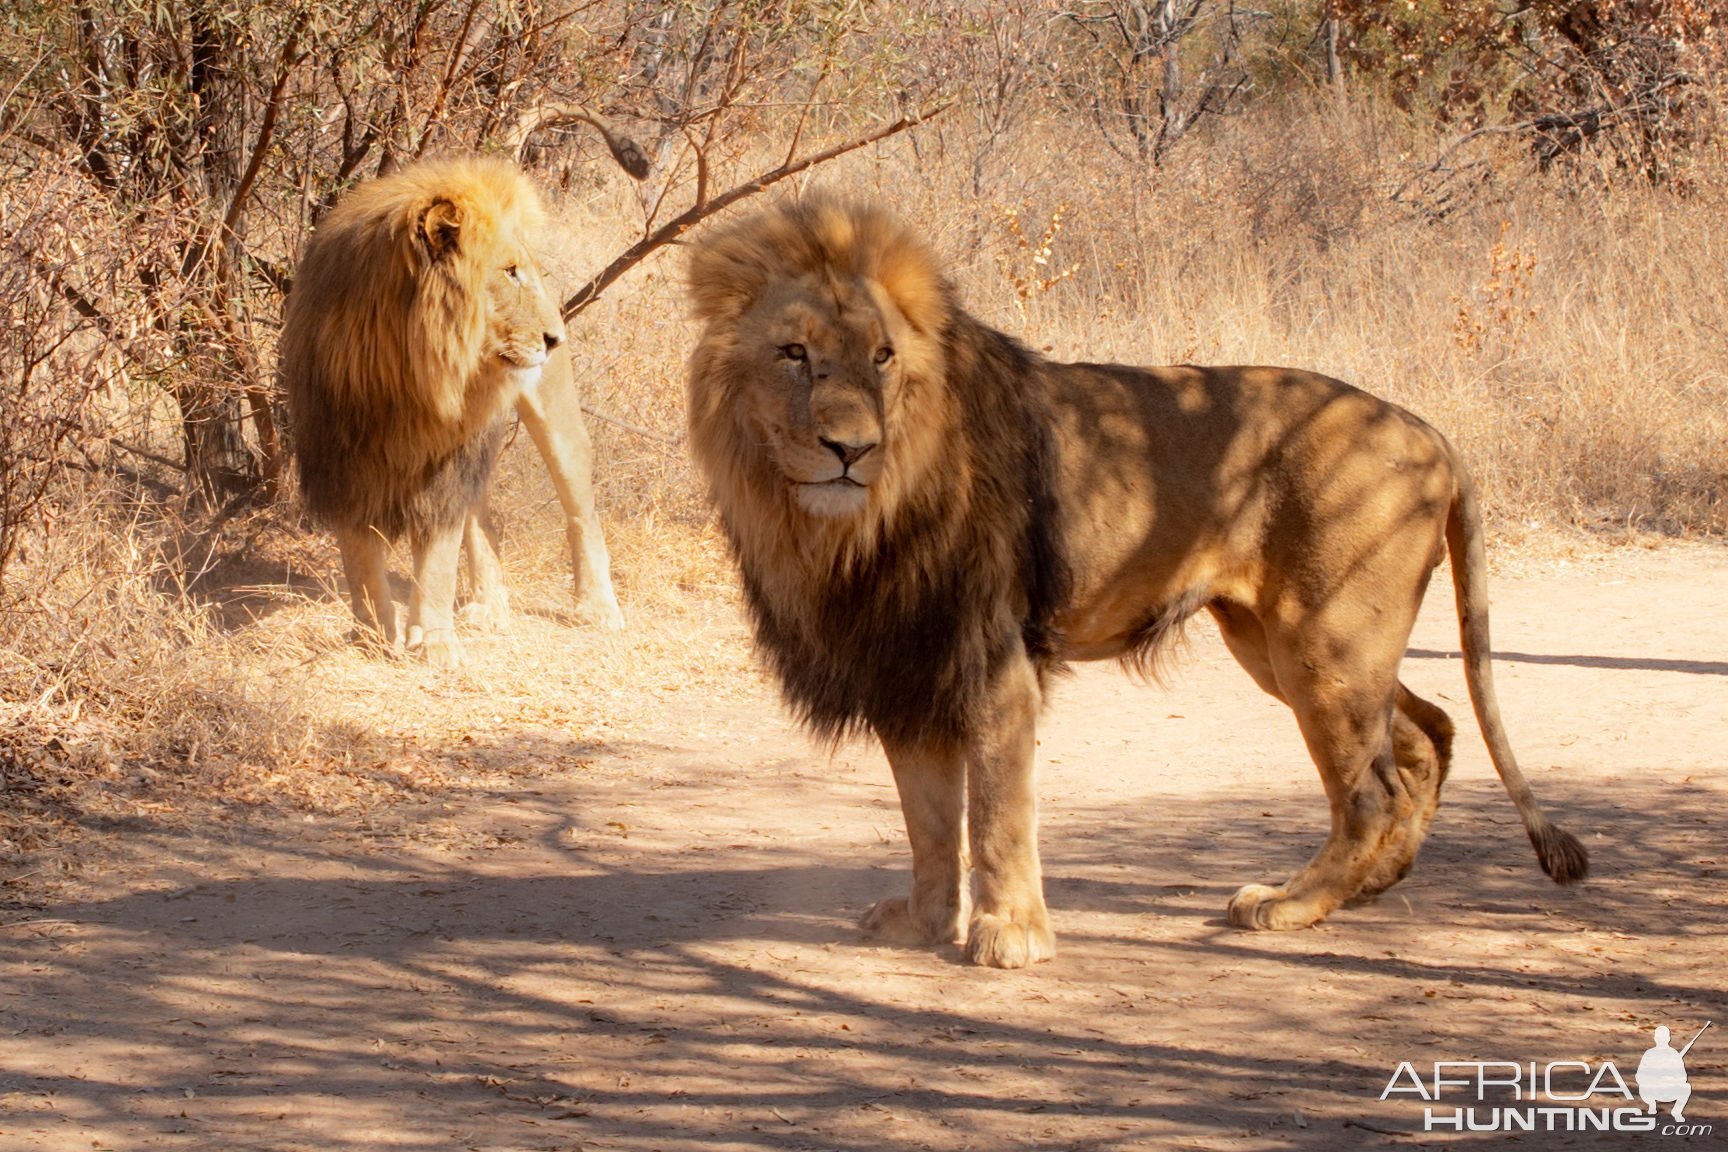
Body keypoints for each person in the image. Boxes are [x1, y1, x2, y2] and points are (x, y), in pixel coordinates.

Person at [1636, 1026, 1691, 1122]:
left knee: (1686, 1087)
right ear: (1668, 1038)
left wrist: (1670, 1078)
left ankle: (1676, 1112)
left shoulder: (1674, 1055)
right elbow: (1640, 1076)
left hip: (1668, 1090)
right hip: (1651, 1091)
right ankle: (1652, 1105)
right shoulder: (1650, 1054)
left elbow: (1682, 1077)